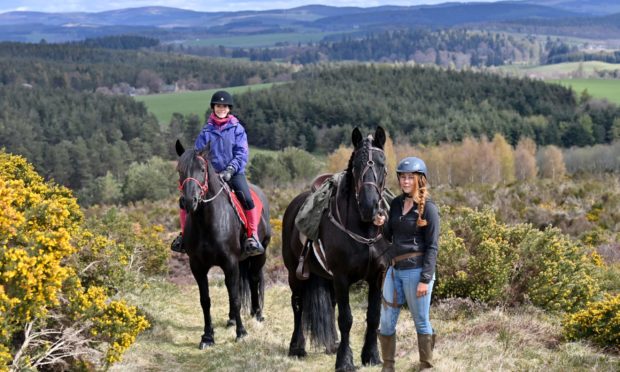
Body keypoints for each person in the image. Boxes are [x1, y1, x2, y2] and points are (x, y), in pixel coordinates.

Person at [171, 90, 265, 257]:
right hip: (210, 175)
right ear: (213, 108)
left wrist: (230, 170)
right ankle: (185, 237)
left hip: (234, 173)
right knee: (185, 200)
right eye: (218, 106)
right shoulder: (206, 131)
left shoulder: (237, 129)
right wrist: (206, 172)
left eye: (224, 106)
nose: (221, 108)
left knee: (247, 198)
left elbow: (241, 153)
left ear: (229, 109)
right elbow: (199, 155)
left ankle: (252, 236)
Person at [373, 156, 439, 371]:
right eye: (402, 177)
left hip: (417, 272)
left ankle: (426, 366)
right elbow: (390, 236)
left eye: (410, 177)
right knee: (386, 321)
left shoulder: (429, 209)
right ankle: (388, 367)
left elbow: (432, 247)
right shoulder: (395, 204)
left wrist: (425, 279)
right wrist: (382, 225)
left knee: (421, 321)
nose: (405, 181)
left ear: (420, 179)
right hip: (394, 270)